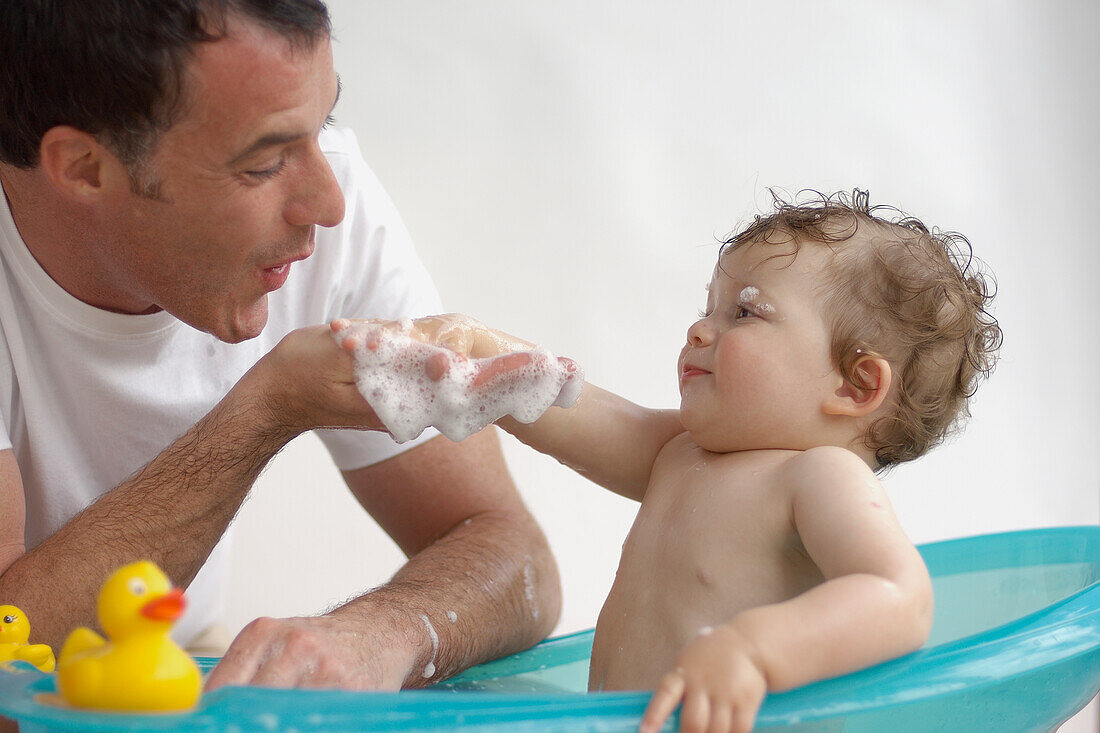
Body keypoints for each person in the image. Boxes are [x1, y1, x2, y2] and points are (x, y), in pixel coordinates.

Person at [0, 0, 561, 701]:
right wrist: (263, 411)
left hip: (166, 669)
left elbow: (514, 553)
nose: (328, 204)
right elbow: (8, 663)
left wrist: (383, 632)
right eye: (264, 164)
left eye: (322, 123)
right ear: (84, 168)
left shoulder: (330, 200)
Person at [344, 190, 1002, 733]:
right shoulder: (681, 453)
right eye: (709, 307)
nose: (701, 329)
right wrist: (486, 352)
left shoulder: (817, 477)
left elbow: (900, 596)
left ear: (854, 386)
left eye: (746, 312)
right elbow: (578, 412)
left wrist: (754, 650)